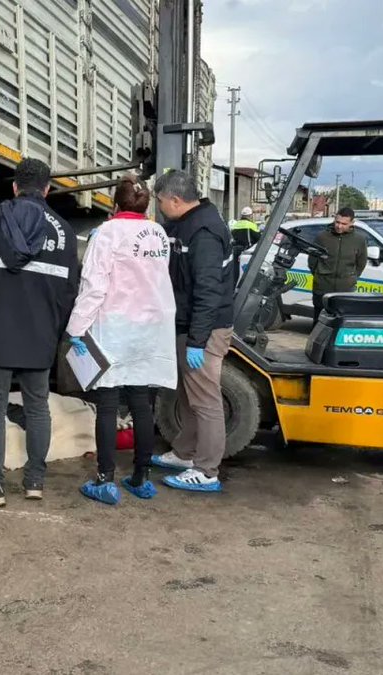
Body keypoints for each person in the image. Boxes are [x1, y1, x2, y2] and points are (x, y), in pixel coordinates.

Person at [0, 158, 80, 508]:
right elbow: (69, 291)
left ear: (14, 186)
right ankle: (35, 482)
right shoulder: (64, 232)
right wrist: (57, 331)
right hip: (40, 336)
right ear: (47, 190)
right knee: (38, 407)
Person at [65, 175, 177, 505]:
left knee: (109, 402)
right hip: (151, 328)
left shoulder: (107, 233)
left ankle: (105, 479)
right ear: (146, 205)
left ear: (115, 204)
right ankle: (141, 477)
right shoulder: (158, 234)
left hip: (115, 326)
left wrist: (76, 328)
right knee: (142, 401)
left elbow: (94, 286)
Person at [146, 170, 237, 493]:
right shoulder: (187, 223)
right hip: (189, 325)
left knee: (206, 399)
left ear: (175, 200)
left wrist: (198, 341)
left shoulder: (205, 232)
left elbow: (208, 291)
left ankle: (207, 469)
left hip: (206, 329)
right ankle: (185, 454)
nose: (158, 207)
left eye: (159, 201)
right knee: (187, 394)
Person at [308, 207, 368, 325]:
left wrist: (351, 278)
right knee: (319, 322)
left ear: (352, 223)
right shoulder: (322, 237)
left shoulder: (359, 240)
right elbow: (312, 260)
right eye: (337, 222)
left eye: (344, 224)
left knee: (342, 323)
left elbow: (361, 262)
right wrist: (319, 275)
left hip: (345, 289)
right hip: (322, 287)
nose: (339, 226)